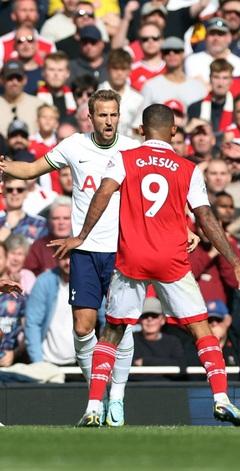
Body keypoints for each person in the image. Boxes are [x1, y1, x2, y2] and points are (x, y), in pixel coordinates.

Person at [51, 103, 240, 427]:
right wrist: (235, 262)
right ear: (174, 131)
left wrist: (82, 235)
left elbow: (103, 193)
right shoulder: (188, 168)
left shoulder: (124, 159)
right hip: (172, 260)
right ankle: (221, 398)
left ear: (141, 131)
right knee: (201, 329)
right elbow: (205, 217)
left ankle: (94, 405)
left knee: (113, 330)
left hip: (132, 257)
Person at [0, 90, 139, 427]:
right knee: (83, 327)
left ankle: (116, 398)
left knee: (121, 326)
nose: (108, 121)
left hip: (122, 250)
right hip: (85, 250)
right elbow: (32, 168)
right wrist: (6, 166)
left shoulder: (133, 149)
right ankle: (97, 397)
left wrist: (185, 224)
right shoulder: (74, 145)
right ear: (90, 117)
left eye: (113, 115)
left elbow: (160, 187)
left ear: (119, 116)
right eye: (102, 115)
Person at [24, 254, 75, 365]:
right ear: (56, 257)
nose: (68, 262)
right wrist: (38, 363)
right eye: (63, 257)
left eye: (72, 256)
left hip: (82, 363)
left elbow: (104, 319)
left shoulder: (89, 282)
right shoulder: (44, 281)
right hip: (48, 363)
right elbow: (33, 323)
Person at [132, 297, 185, 381]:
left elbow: (181, 368)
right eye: (145, 316)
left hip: (169, 391)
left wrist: (145, 361)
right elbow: (128, 372)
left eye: (154, 315)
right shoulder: (130, 341)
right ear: (140, 320)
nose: (149, 319)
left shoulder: (173, 342)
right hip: (136, 390)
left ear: (163, 320)